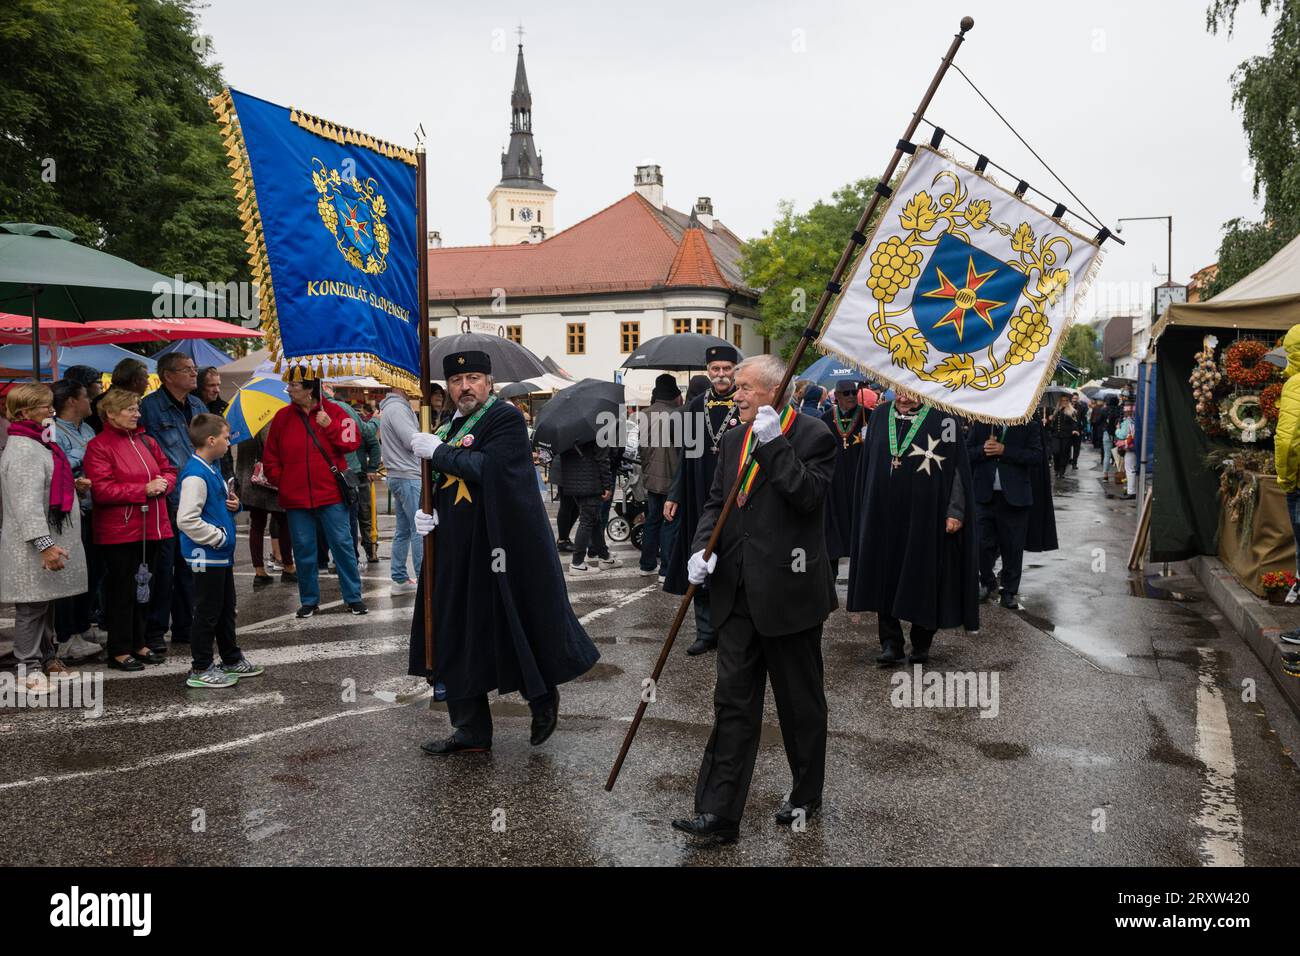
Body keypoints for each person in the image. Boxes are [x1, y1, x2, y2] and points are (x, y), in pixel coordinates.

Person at [670, 355, 837, 846]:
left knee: (798, 704)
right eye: (735, 387)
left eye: (744, 387)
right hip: (736, 594)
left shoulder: (814, 436)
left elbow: (805, 496)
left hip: (790, 594)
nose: (735, 395)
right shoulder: (732, 438)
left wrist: (774, 444)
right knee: (733, 705)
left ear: (775, 389)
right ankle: (718, 814)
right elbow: (717, 503)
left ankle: (806, 793)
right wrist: (703, 551)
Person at [407, 349, 599, 754]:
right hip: (454, 548)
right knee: (455, 631)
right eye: (458, 381)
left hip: (499, 546)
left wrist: (438, 453)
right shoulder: (445, 425)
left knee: (512, 622)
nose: (466, 387)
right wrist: (427, 515)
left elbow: (491, 470)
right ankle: (470, 729)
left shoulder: (504, 418)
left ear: (489, 382)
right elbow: (443, 482)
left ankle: (542, 696)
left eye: (474, 378)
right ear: (448, 387)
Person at [847, 391, 979, 665]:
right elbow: (869, 462)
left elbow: (957, 469)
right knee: (884, 576)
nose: (904, 397)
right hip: (883, 514)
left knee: (924, 576)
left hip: (925, 516)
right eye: (899, 390)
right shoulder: (881, 415)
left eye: (910, 391)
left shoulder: (946, 419)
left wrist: (955, 510)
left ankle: (921, 643)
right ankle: (891, 643)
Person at [0, 384, 88, 696]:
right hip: (32, 544)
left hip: (44, 540)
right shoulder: (25, 449)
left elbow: (43, 489)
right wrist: (45, 545)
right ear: (23, 412)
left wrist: (69, 488)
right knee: (31, 606)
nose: (51, 411)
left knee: (44, 602)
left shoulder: (38, 442)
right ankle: (27, 667)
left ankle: (48, 659)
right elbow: (25, 505)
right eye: (44, 407)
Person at [82, 388, 175, 671]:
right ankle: (119, 648)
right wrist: (144, 489)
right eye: (130, 409)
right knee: (122, 590)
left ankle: (139, 642)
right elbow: (102, 489)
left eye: (137, 408)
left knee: (147, 588)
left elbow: (169, 470)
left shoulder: (147, 440)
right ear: (110, 413)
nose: (137, 413)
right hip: (120, 530)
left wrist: (164, 484)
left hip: (153, 525)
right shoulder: (99, 446)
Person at [664, 346, 743, 656]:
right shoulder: (695, 407)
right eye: (715, 369)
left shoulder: (744, 402)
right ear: (708, 370)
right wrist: (674, 495)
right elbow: (685, 456)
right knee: (700, 558)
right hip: (699, 493)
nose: (721, 375)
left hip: (736, 493)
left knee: (731, 561)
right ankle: (705, 631)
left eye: (726, 369)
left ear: (735, 370)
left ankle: (731, 631)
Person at [263, 377, 365, 617]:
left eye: (294, 385)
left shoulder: (336, 412)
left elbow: (352, 443)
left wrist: (330, 426)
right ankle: (309, 600)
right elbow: (270, 456)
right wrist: (283, 481)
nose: (288, 389)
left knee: (342, 545)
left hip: (331, 494)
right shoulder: (282, 417)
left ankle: (353, 597)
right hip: (296, 498)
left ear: (310, 389)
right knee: (303, 549)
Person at [177, 413, 264, 688]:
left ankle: (230, 658)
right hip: (207, 554)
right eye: (226, 438)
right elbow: (187, 519)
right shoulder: (195, 474)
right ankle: (201, 667)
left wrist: (234, 505)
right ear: (211, 440)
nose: (229, 443)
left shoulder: (211, 467)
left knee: (226, 608)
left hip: (218, 554)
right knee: (207, 611)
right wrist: (218, 537)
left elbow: (214, 506)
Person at [139, 351, 207, 655]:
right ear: (168, 375)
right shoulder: (150, 408)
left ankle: (185, 625)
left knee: (191, 566)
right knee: (163, 568)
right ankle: (155, 630)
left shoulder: (197, 404)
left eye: (195, 369)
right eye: (188, 370)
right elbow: (148, 452)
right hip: (167, 498)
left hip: (198, 495)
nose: (195, 374)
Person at [52, 379, 104, 661]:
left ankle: (83, 627)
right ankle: (66, 635)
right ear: (73, 401)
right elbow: (54, 470)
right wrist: (77, 473)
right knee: (69, 575)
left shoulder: (86, 428)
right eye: (86, 396)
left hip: (93, 507)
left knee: (91, 572)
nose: (90, 402)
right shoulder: (54, 432)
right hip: (71, 512)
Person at [967, 418, 1043, 609]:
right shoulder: (982, 421)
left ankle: (1009, 590)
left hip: (1015, 497)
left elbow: (1037, 456)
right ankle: (987, 581)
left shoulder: (1028, 423)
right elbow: (966, 453)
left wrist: (1004, 451)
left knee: (1013, 547)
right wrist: (983, 449)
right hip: (984, 495)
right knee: (981, 544)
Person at [235, 423, 296, 588]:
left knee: (257, 525)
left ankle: (259, 571)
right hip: (267, 481)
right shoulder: (266, 421)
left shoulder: (244, 424)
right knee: (284, 522)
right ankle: (288, 567)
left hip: (250, 480)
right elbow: (273, 448)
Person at [326, 385, 381, 563]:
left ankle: (365, 552)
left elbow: (372, 442)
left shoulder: (334, 412)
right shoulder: (345, 412)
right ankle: (349, 556)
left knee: (357, 514)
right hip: (350, 472)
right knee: (353, 515)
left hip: (354, 472)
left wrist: (372, 467)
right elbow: (370, 434)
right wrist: (375, 421)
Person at [379, 384, 423, 594]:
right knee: (419, 530)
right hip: (408, 474)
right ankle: (424, 579)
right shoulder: (397, 408)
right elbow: (410, 440)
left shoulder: (390, 407)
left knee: (404, 530)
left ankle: (399, 578)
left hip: (398, 474)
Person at [638, 373, 683, 578]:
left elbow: (642, 446)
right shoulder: (677, 414)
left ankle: (646, 564)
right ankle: (665, 569)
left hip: (650, 476)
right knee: (670, 523)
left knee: (652, 520)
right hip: (672, 477)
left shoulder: (645, 414)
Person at [821, 380, 866, 580]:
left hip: (860, 482)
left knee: (860, 530)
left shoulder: (869, 417)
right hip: (834, 483)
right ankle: (831, 576)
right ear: (836, 396)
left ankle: (862, 578)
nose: (851, 396)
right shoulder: (824, 419)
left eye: (854, 392)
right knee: (832, 529)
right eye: (846, 393)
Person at [559, 438, 614, 573]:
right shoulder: (594, 430)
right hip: (591, 481)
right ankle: (577, 562)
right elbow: (602, 459)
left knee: (594, 519)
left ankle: (604, 556)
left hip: (573, 481)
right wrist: (607, 484)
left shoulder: (568, 432)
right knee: (587, 521)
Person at [87, 358, 148, 433]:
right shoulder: (101, 404)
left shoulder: (99, 401)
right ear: (135, 381)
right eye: (146, 378)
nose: (147, 383)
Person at [195, 366, 234, 481]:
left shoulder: (221, 408)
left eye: (218, 385)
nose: (217, 390)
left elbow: (227, 452)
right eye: (211, 385)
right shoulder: (193, 411)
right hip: (205, 474)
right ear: (200, 387)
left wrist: (231, 477)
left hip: (224, 474)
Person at [1047, 395, 1079, 478]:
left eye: (1066, 400)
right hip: (1056, 435)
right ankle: (1056, 468)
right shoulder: (1056, 411)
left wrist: (1074, 430)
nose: (1064, 402)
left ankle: (1061, 471)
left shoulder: (1072, 411)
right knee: (1056, 451)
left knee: (1064, 453)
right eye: (1062, 400)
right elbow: (1051, 426)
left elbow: (1075, 423)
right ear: (1060, 401)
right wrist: (1049, 420)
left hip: (1066, 435)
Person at [1114, 402, 1138, 500]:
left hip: (1130, 447)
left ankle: (1131, 491)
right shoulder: (1138, 419)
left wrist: (1117, 429)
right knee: (1135, 469)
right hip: (1138, 446)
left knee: (1130, 469)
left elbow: (1122, 435)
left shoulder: (1128, 421)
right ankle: (1134, 490)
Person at [1099, 395, 1121, 479]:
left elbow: (1098, 421)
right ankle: (1119, 473)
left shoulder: (1103, 410)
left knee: (1107, 455)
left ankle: (1105, 474)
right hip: (1117, 434)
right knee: (1119, 454)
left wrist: (1104, 426)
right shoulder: (1119, 410)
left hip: (1106, 433)